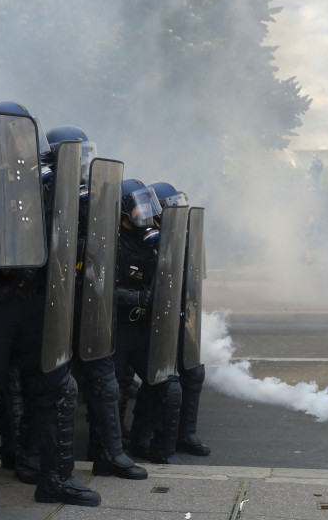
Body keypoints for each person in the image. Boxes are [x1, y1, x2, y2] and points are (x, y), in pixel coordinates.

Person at [0, 103, 102, 516]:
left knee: (56, 389)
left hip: (38, 299)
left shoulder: (47, 184)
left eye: (22, 138)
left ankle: (55, 478)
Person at [44, 125, 148, 483]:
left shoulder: (96, 198)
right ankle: (35, 460)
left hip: (87, 300)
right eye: (77, 156)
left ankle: (110, 455)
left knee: (105, 381)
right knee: (50, 384)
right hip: (51, 301)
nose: (84, 163)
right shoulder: (44, 192)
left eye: (87, 155)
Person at [112, 179, 184, 465]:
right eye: (138, 205)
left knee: (167, 384)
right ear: (123, 210)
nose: (146, 213)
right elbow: (96, 288)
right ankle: (110, 450)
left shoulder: (153, 242)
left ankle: (150, 445)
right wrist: (139, 298)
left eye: (148, 204)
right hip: (116, 328)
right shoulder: (110, 241)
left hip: (143, 328)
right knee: (112, 391)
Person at [145, 181, 211, 458]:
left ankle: (186, 434)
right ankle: (146, 437)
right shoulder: (147, 240)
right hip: (149, 320)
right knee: (162, 379)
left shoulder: (185, 240)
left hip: (179, 315)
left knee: (193, 372)